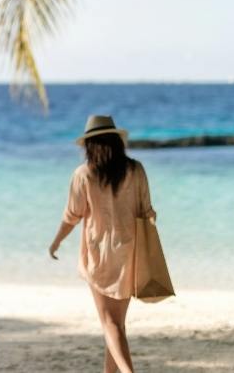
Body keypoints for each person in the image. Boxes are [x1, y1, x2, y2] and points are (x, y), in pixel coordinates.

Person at [48, 115, 156, 373]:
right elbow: (148, 212)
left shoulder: (84, 174)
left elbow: (71, 216)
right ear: (117, 141)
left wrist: (56, 243)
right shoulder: (136, 169)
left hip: (99, 255)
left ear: (89, 145)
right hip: (130, 251)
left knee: (110, 323)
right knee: (117, 323)